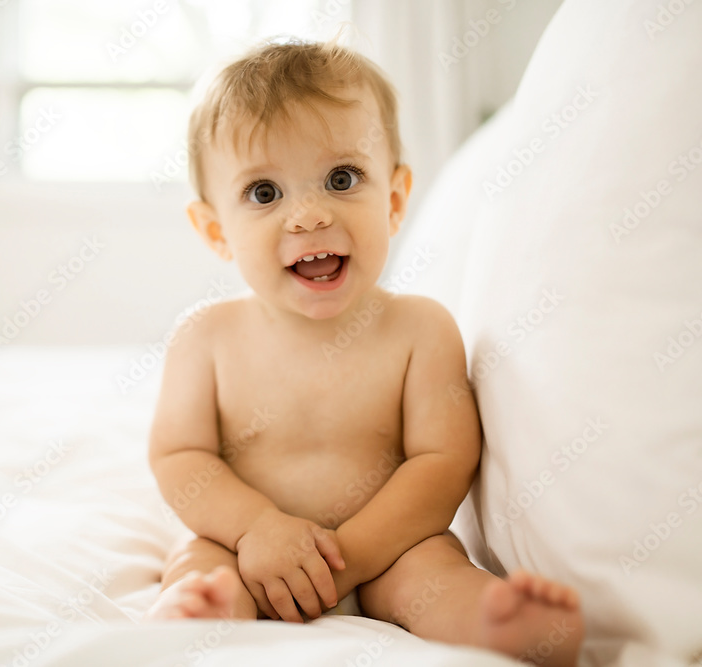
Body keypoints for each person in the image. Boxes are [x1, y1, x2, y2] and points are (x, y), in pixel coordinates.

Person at [143, 37, 583, 666]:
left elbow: (442, 461)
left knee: (431, 572)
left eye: (341, 179)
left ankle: (496, 620)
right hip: (247, 550)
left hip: (386, 549)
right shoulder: (204, 338)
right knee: (198, 562)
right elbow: (180, 458)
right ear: (216, 230)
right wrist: (255, 529)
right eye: (264, 194)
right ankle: (198, 612)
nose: (308, 216)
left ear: (396, 198)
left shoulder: (421, 330)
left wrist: (346, 558)